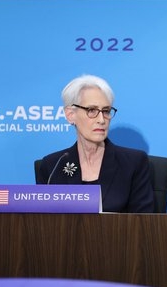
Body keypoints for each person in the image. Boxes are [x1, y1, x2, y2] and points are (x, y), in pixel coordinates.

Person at [36, 74, 154, 213]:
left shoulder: (133, 163)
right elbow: (42, 224)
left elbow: (143, 224)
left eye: (105, 111)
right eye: (91, 110)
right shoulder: (52, 165)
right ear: (70, 115)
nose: (101, 120)